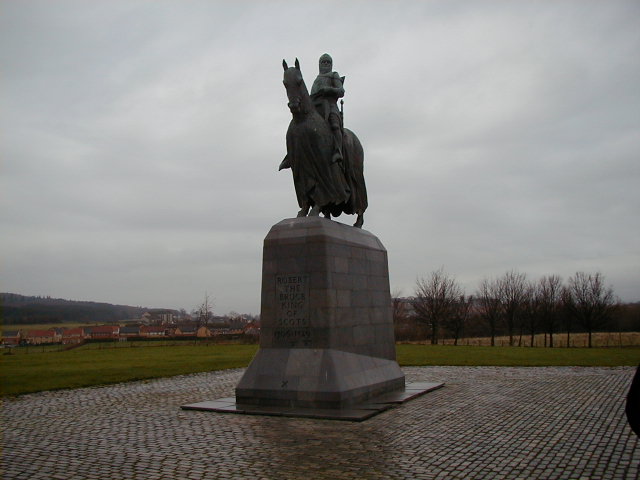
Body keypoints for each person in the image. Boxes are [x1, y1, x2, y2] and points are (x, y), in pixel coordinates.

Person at [310, 53, 345, 164]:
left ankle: (338, 151)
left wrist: (328, 89)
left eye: (327, 62)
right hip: (316, 108)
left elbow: (341, 91)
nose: (325, 64)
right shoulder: (316, 79)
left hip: (331, 106)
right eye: (323, 62)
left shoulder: (334, 75)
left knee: (334, 125)